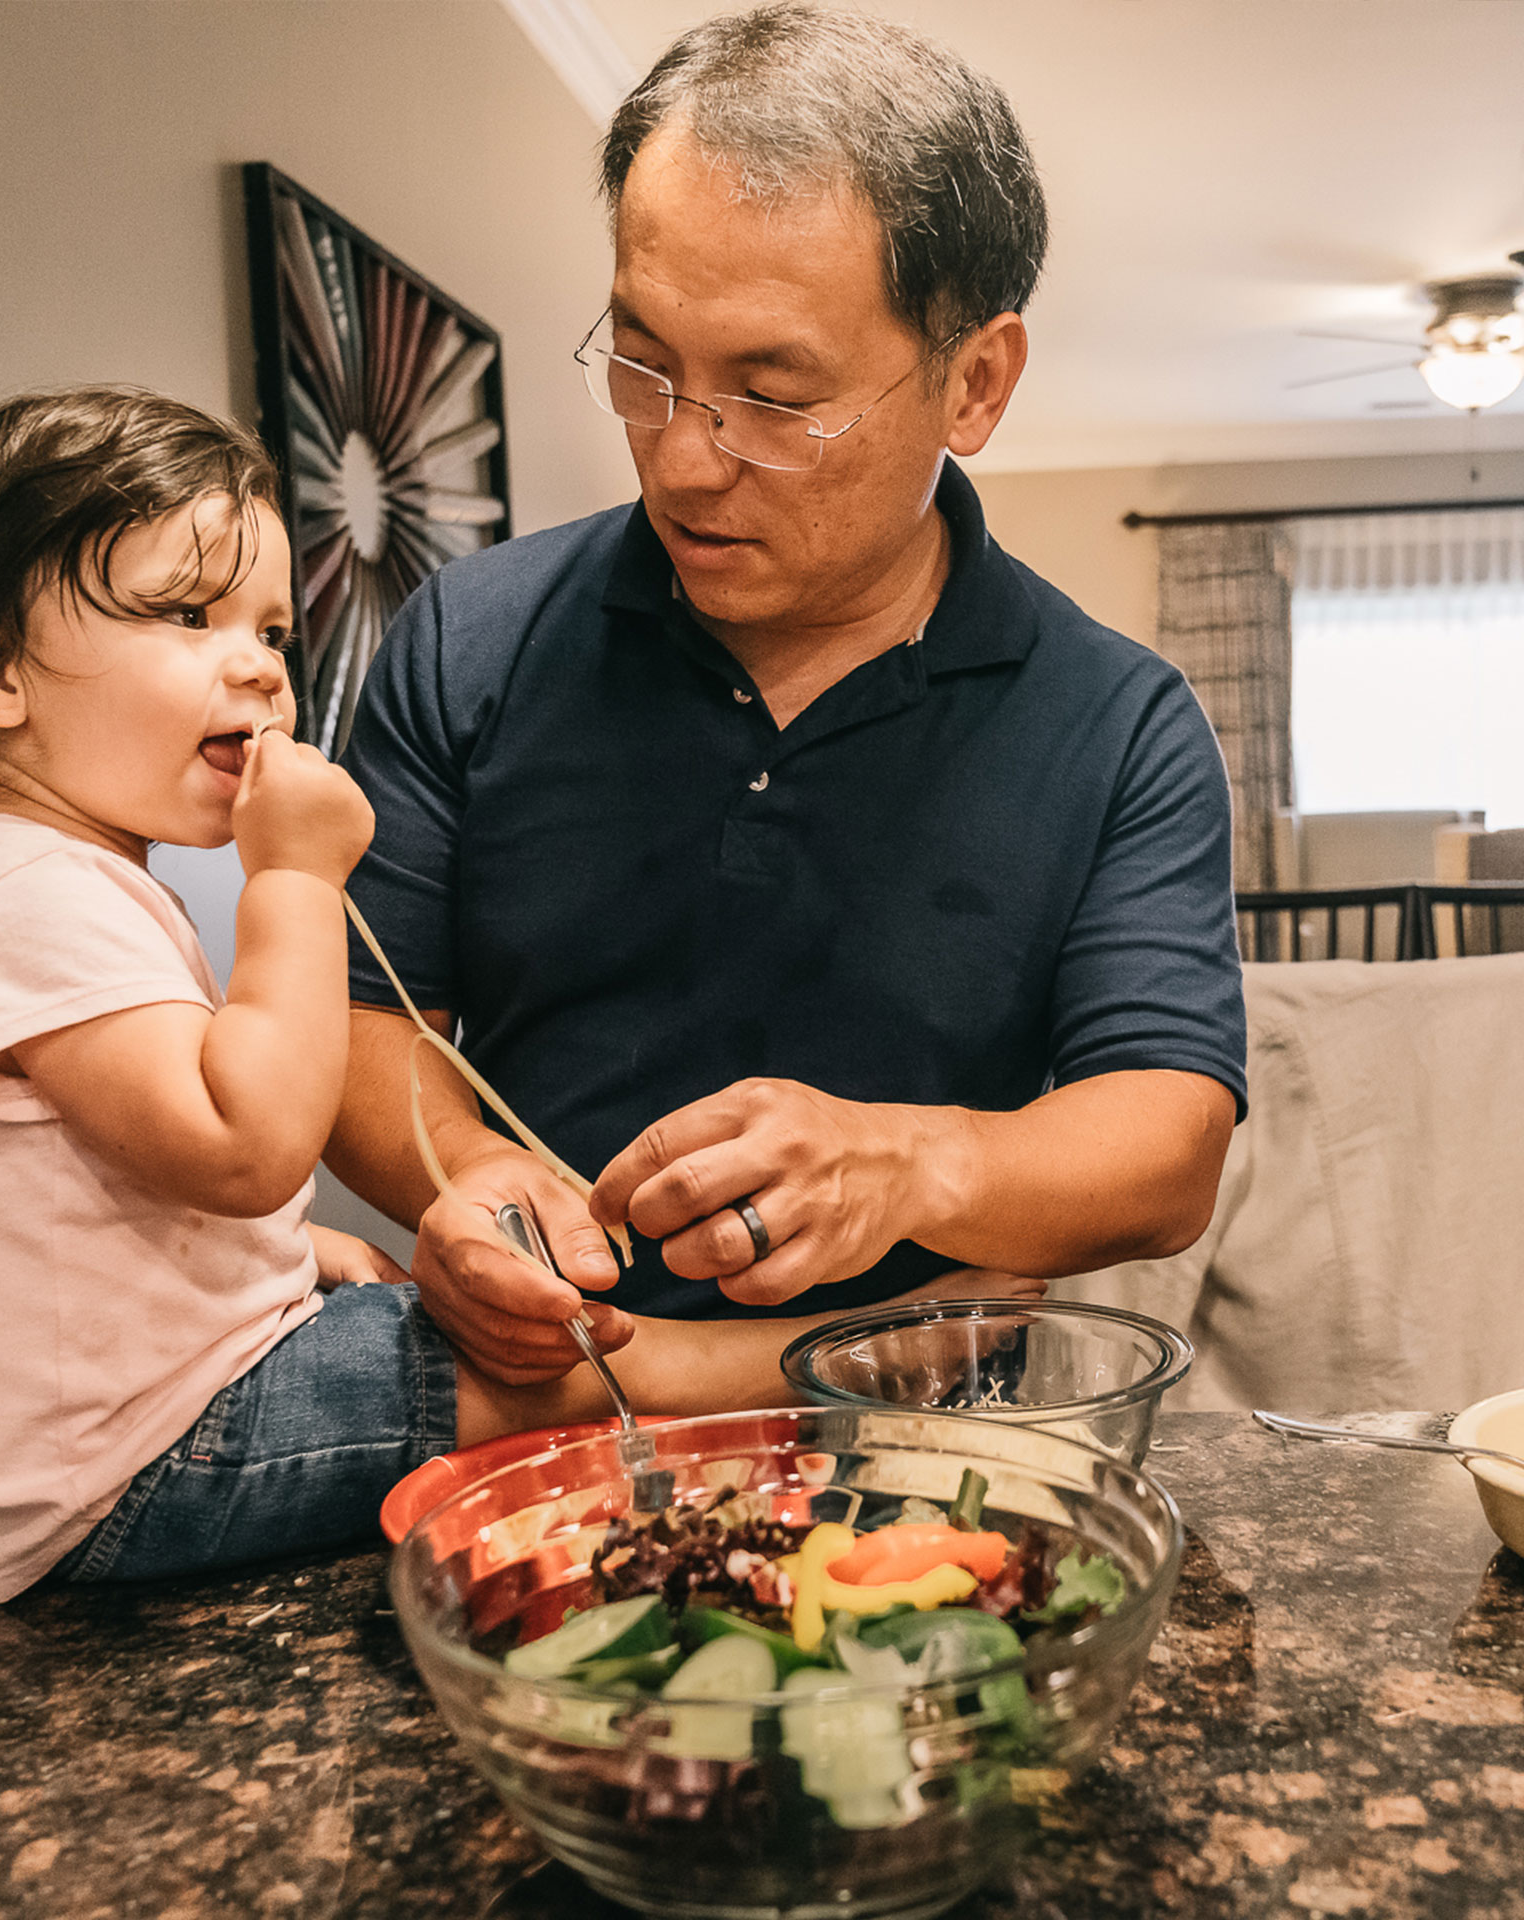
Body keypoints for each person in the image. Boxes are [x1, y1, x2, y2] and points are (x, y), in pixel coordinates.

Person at [0, 387, 1013, 1602]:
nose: (257, 667)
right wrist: (293, 876)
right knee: (520, 1363)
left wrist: (290, 1259)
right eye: (185, 614)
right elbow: (246, 1150)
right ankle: (853, 1361)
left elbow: (115, 1178)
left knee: (422, 1302)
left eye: (272, 630)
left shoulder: (17, 881)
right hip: (131, 1469)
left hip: (61, 1463)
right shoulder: (28, 895)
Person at [327, 5, 1248, 1392]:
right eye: (644, 363)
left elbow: (1167, 1138)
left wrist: (909, 1158)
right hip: (530, 1428)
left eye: (773, 396)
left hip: (934, 1449)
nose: (685, 462)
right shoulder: (472, 638)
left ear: (975, 382)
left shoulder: (1118, 722)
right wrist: (470, 1170)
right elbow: (358, 1023)